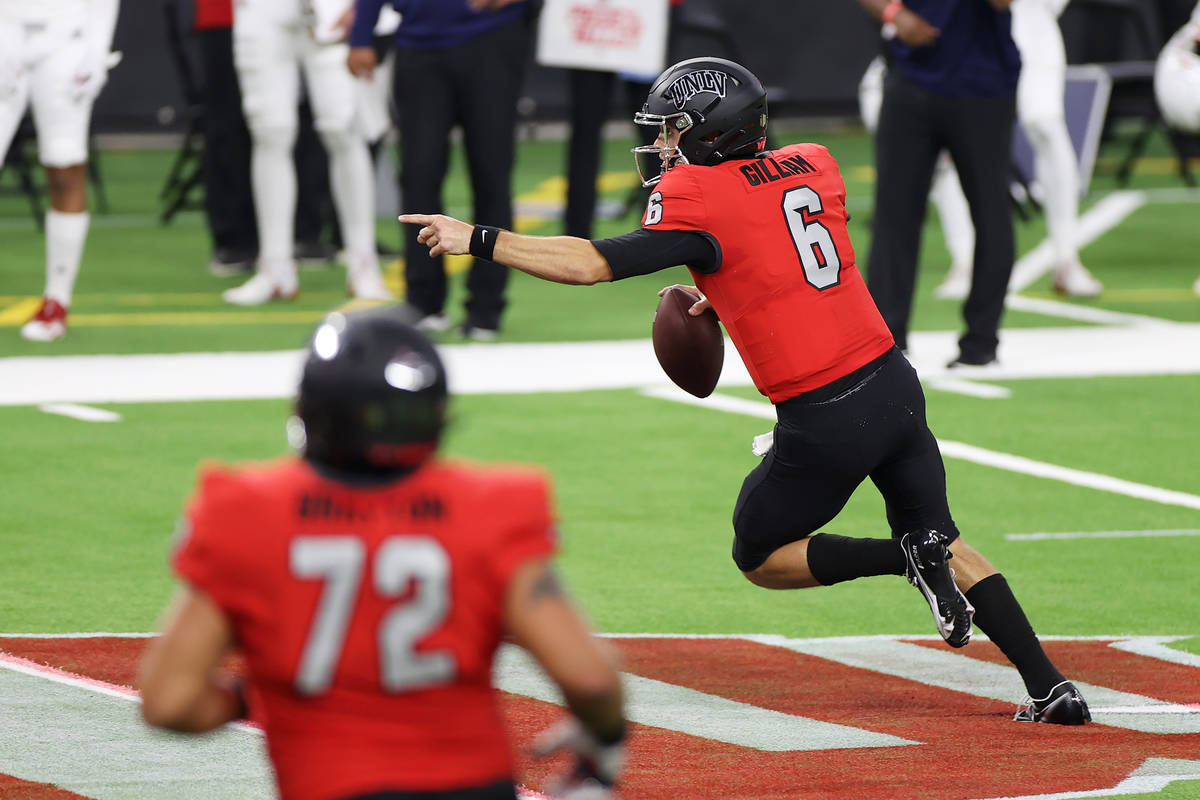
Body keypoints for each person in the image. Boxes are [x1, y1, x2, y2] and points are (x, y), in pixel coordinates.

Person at [400, 56, 1091, 725]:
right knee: (945, 537)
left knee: (757, 555)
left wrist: (479, 238)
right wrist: (728, 294)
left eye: (671, 129)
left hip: (825, 414)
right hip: (893, 386)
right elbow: (789, 255)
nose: (662, 146)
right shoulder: (816, 163)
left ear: (709, 129)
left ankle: (901, 558)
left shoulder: (697, 196)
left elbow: (591, 264)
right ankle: (1052, 685)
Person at [138, 307, 628, 799]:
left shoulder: (246, 511)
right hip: (474, 785)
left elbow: (170, 701)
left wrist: (249, 697)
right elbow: (590, 678)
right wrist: (601, 751)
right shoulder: (491, 509)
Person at [347, 0, 535, 340]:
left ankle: (486, 307)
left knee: (491, 173)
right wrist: (361, 36)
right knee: (418, 175)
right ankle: (423, 301)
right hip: (418, 45)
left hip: (491, 39)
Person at [858, 0, 1020, 367]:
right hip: (911, 77)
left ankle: (981, 341)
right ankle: (887, 343)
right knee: (894, 214)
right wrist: (893, 14)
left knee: (990, 210)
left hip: (984, 83)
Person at [223, 0, 391, 306]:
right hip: (265, 10)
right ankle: (274, 266)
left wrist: (365, 11)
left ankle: (363, 264)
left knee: (342, 129)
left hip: (332, 8)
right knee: (269, 130)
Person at [0, 0, 119, 341]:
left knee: (65, 163)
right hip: (4, 27)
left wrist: (98, 48)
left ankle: (57, 299)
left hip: (65, 34)